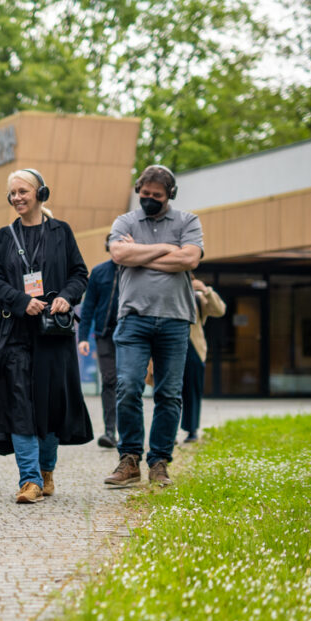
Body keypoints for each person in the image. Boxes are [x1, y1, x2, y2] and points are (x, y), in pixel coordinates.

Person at [0, 168, 93, 504]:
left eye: (22, 191)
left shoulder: (61, 232)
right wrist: (21, 301)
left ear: (40, 193)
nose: (16, 198)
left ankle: (46, 471)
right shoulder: (4, 237)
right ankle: (28, 480)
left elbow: (80, 274)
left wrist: (67, 297)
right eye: (11, 193)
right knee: (19, 404)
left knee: (49, 406)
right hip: (14, 334)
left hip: (52, 335)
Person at [104, 165, 203, 488]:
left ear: (169, 195)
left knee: (169, 394)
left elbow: (189, 260)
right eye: (144, 194)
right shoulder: (126, 221)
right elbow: (118, 253)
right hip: (133, 319)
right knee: (129, 386)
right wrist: (166, 250)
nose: (148, 199)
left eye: (156, 196)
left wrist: (140, 255)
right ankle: (129, 458)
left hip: (175, 320)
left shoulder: (188, 221)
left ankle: (159, 461)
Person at [76, 237, 119, 448]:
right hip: (105, 335)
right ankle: (110, 431)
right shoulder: (100, 272)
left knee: (130, 383)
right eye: (113, 243)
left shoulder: (136, 270)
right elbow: (88, 307)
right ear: (107, 247)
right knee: (110, 380)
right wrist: (82, 338)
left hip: (132, 336)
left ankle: (129, 432)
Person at [180, 274, 225, 442]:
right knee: (168, 391)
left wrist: (206, 291)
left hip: (194, 348)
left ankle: (192, 429)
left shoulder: (198, 298)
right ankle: (168, 432)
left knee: (192, 390)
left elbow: (219, 310)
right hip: (168, 346)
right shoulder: (166, 293)